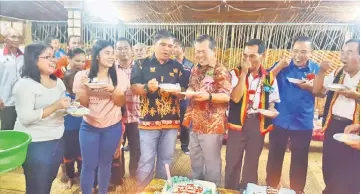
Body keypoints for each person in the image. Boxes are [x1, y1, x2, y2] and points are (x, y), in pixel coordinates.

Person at [130, 30, 187, 190]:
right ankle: (143, 190)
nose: (167, 49)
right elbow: (134, 88)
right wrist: (147, 87)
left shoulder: (177, 66)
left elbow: (184, 91)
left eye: (170, 46)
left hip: (171, 121)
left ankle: (161, 190)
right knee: (146, 160)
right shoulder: (141, 63)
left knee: (166, 160)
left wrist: (179, 92)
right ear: (154, 45)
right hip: (148, 121)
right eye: (163, 44)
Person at [13, 43, 71, 194]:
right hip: (36, 143)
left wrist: (68, 108)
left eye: (53, 56)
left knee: (46, 183)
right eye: (47, 57)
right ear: (33, 60)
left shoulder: (58, 82)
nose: (53, 60)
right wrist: (56, 105)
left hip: (57, 139)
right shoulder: (24, 85)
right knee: (36, 188)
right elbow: (26, 117)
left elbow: (61, 108)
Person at [265, 36, 319, 194]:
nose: (298, 55)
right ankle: (272, 186)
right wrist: (278, 68)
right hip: (280, 119)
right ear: (291, 51)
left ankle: (297, 190)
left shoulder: (315, 70)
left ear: (310, 53)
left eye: (303, 52)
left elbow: (323, 93)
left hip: (303, 122)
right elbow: (266, 84)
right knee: (275, 155)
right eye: (295, 51)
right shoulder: (282, 65)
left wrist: (311, 88)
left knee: (300, 160)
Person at [73, 40, 128, 194]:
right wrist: (84, 87)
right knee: (88, 165)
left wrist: (112, 89)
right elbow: (83, 105)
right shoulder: (82, 75)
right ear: (97, 56)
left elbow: (120, 102)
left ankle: (103, 191)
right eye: (107, 53)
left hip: (112, 126)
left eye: (112, 53)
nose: (111, 56)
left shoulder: (119, 75)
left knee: (106, 163)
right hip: (89, 126)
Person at [225, 39, 280, 191]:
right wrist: (243, 74)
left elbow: (272, 102)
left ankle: (248, 190)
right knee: (232, 161)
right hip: (237, 123)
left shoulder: (269, 77)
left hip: (257, 123)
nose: (248, 60)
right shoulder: (234, 73)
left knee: (252, 162)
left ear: (263, 55)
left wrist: (271, 110)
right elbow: (235, 98)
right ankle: (230, 190)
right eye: (245, 56)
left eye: (253, 56)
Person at [182, 35, 231, 186]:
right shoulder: (195, 69)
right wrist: (188, 92)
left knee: (211, 161)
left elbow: (226, 96)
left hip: (212, 125)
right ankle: (197, 186)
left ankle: (212, 188)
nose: (199, 55)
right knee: (195, 158)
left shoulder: (220, 71)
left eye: (203, 51)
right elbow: (192, 86)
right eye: (197, 51)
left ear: (213, 50)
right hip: (195, 122)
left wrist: (208, 96)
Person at [313, 39, 360, 194]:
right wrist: (321, 71)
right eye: (342, 52)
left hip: (355, 130)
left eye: (349, 52)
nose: (343, 56)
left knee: (349, 173)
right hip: (332, 125)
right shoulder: (338, 73)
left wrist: (356, 96)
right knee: (329, 166)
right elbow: (317, 91)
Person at [115, 37, 141, 180]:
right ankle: (118, 176)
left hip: (137, 114)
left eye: (126, 48)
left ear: (132, 50)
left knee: (136, 147)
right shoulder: (111, 69)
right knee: (117, 147)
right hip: (116, 115)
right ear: (115, 51)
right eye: (119, 48)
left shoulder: (140, 67)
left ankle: (134, 173)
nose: (123, 51)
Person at [62, 48, 87, 189]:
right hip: (68, 130)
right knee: (68, 155)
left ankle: (82, 176)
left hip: (83, 127)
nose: (81, 63)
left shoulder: (86, 83)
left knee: (81, 154)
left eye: (83, 61)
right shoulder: (64, 97)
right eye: (78, 60)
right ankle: (70, 177)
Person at [0, 27, 24, 130]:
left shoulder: (23, 55)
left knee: (22, 128)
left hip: (22, 99)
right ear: (4, 38)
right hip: (5, 100)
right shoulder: (0, 55)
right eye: (13, 36)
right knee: (8, 128)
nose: (17, 39)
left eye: (18, 37)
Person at [173, 39, 194, 155]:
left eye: (176, 47)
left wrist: (186, 94)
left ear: (183, 49)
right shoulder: (170, 64)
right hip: (172, 97)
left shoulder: (190, 65)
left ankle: (185, 145)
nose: (174, 49)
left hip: (185, 98)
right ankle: (170, 145)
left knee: (185, 122)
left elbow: (192, 82)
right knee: (171, 122)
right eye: (173, 47)